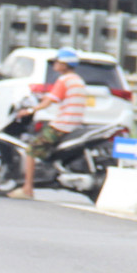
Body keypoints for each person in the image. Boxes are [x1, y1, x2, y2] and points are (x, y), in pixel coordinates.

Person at [8, 47, 88, 200]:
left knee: (31, 150)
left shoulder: (64, 80)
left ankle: (27, 188)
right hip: (75, 124)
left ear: (64, 64)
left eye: (57, 62)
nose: (54, 65)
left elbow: (49, 102)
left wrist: (29, 110)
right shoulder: (78, 80)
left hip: (62, 125)